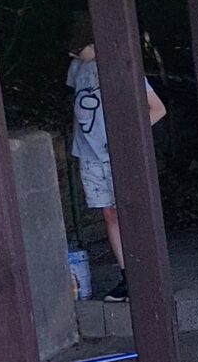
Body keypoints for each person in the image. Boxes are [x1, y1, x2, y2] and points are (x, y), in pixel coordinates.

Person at [65, 16, 166, 304]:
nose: (73, 55)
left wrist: (126, 137)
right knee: (109, 214)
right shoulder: (77, 68)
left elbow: (157, 109)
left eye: (78, 49)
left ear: (95, 43)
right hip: (89, 155)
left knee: (132, 210)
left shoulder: (121, 67)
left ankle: (147, 272)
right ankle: (128, 277)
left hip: (119, 154)